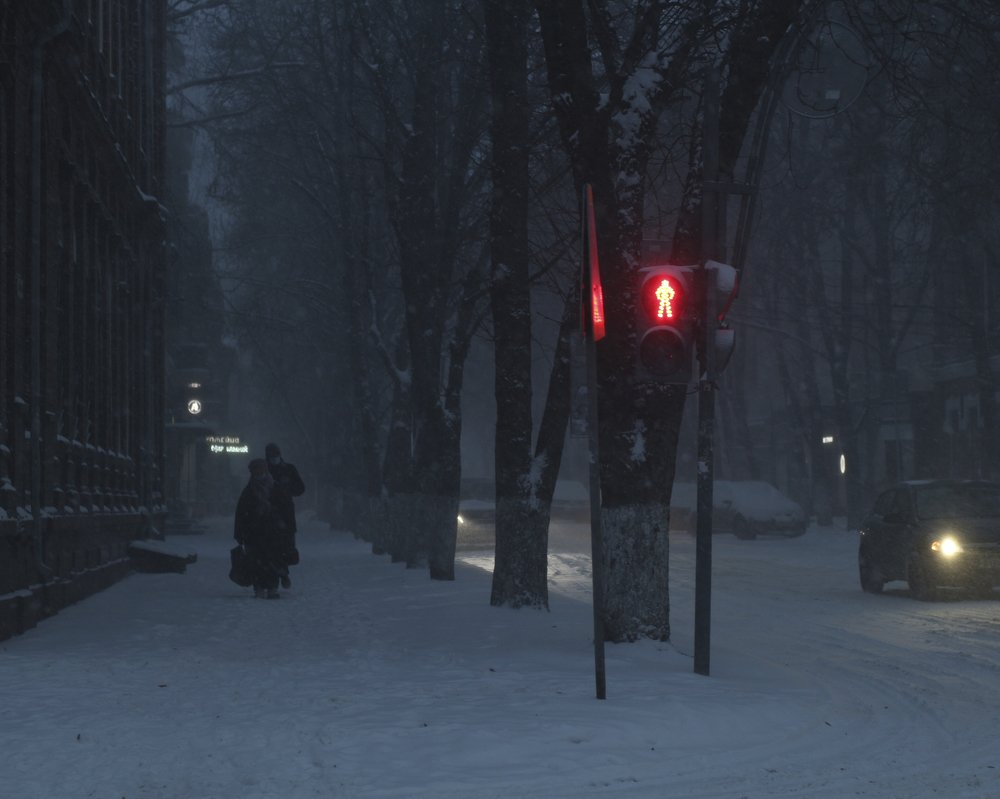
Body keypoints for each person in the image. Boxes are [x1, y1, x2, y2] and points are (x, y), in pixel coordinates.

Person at [234, 458, 285, 599]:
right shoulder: (249, 491)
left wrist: (283, 527)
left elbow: (284, 509)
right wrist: (240, 533)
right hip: (254, 533)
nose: (259, 473)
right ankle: (259, 587)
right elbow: (241, 513)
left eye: (261, 469)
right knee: (256, 562)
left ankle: (273, 587)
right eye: (256, 470)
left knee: (272, 560)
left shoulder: (274, 488)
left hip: (272, 532)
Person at [265, 442, 305, 588]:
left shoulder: (288, 469)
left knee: (285, 547)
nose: (274, 458)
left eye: (276, 455)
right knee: (271, 547)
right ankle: (277, 575)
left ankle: (282, 572)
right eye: (271, 456)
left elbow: (300, 488)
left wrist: (287, 489)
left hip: (286, 513)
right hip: (269, 514)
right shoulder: (264, 471)